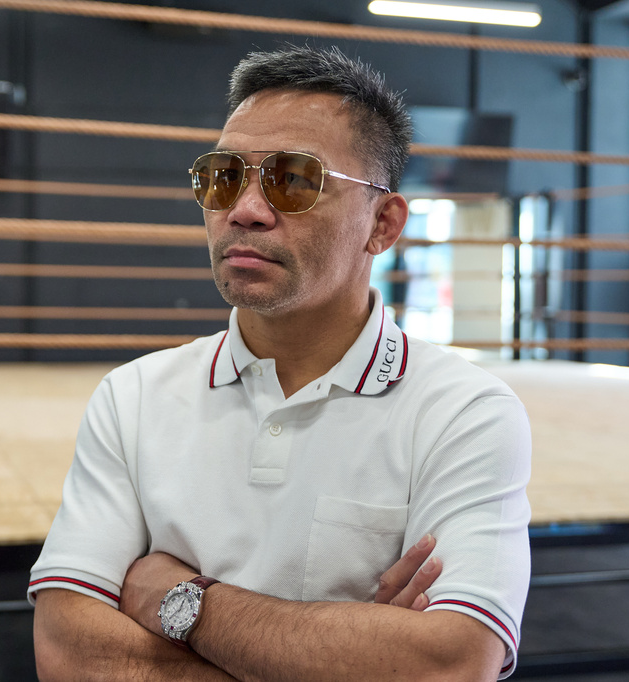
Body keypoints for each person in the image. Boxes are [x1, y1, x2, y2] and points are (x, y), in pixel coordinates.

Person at [29, 45, 531, 681]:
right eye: (222, 177)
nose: (244, 209)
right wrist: (352, 653)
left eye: (294, 180)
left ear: (382, 223)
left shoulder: (464, 414)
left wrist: (179, 601)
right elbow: (69, 651)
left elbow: (451, 662)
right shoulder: (132, 398)